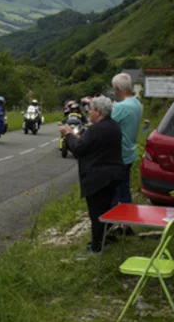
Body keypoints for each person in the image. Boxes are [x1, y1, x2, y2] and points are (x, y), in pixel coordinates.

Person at [59, 95, 124, 254]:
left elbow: (78, 149)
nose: (88, 112)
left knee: (96, 213)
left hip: (97, 177)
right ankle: (106, 239)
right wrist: (76, 137)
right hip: (113, 174)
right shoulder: (114, 126)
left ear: (99, 112)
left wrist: (67, 134)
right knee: (106, 210)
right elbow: (89, 144)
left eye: (91, 109)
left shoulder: (95, 129)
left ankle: (96, 248)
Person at [109, 73, 144, 236]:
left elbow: (105, 122)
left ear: (116, 88)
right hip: (130, 151)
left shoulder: (121, 107)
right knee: (124, 190)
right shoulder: (137, 104)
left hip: (118, 154)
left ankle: (116, 225)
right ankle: (127, 224)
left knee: (114, 192)